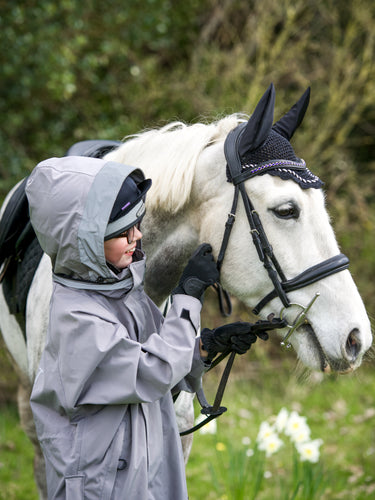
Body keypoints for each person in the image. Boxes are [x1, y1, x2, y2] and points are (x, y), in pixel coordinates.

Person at [26, 156, 269, 500]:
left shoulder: (121, 289)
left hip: (138, 471)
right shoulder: (77, 317)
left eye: (136, 224)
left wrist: (205, 346)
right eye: (123, 232)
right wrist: (187, 296)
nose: (137, 236)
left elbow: (154, 354)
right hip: (101, 486)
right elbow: (153, 371)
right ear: (87, 242)